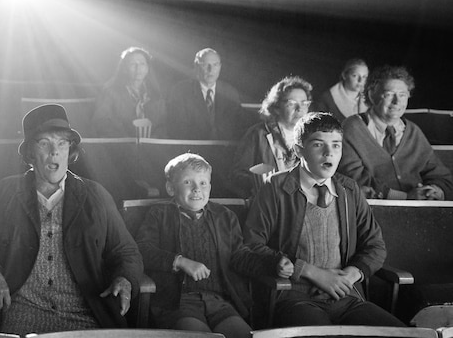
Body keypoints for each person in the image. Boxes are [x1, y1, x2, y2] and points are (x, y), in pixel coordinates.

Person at [0, 103, 143, 334]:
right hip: (22, 312)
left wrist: (124, 279)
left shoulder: (95, 196)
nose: (54, 151)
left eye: (62, 143)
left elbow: (126, 252)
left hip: (84, 314)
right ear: (30, 152)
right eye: (45, 143)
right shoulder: (3, 193)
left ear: (70, 150)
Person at [231, 112, 405, 329]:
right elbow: (249, 247)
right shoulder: (275, 188)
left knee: (399, 333)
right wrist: (308, 271)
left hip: (345, 295)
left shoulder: (349, 189)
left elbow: (375, 246)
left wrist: (350, 275)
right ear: (298, 149)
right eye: (317, 145)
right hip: (294, 297)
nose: (328, 153)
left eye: (336, 145)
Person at [135, 153, 251, 338]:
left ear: (210, 187)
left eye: (203, 183)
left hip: (219, 301)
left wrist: (275, 262)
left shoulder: (225, 216)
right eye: (188, 182)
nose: (197, 189)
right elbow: (142, 250)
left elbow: (240, 255)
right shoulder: (159, 214)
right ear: (171, 188)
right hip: (178, 302)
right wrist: (180, 261)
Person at [339, 65, 452, 200]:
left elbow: (441, 176)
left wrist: (435, 191)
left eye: (402, 95)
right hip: (374, 213)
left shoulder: (413, 131)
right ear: (371, 94)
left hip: (421, 211)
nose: (397, 102)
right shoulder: (352, 128)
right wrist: (404, 197)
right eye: (389, 94)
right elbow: (353, 180)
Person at [229, 76, 312, 200]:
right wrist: (263, 182)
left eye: (304, 103)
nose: (299, 109)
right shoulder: (258, 134)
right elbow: (237, 175)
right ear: (277, 107)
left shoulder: (312, 136)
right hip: (268, 202)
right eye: (291, 103)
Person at [165, 48, 247, 140]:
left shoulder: (230, 93)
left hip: (224, 149)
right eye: (205, 65)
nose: (210, 70)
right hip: (191, 148)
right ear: (196, 66)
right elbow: (176, 129)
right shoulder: (180, 91)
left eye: (215, 65)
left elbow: (238, 127)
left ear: (220, 66)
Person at [92, 46, 166, 138]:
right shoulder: (110, 91)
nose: (138, 68)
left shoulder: (154, 93)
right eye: (133, 64)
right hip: (120, 145)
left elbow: (163, 124)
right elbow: (101, 122)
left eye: (142, 64)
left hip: (152, 147)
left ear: (147, 68)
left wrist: (154, 141)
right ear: (124, 68)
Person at [312, 58, 370, 123]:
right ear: (344, 75)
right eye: (355, 76)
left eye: (364, 77)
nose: (360, 81)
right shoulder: (327, 99)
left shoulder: (370, 99)